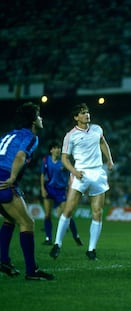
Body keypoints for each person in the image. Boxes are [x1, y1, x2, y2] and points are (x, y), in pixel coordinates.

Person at [49, 103, 114, 261]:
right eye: (83, 113)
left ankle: (91, 249)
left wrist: (110, 160)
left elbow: (102, 142)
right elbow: (64, 158)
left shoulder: (97, 129)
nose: (87, 115)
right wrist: (74, 172)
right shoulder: (70, 135)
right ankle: (57, 243)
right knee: (69, 209)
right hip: (81, 174)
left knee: (97, 212)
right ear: (76, 117)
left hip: (98, 172)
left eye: (87, 112)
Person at [0, 102, 54, 280]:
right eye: (38, 116)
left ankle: (4, 261)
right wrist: (13, 178)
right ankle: (32, 271)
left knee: (10, 219)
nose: (41, 118)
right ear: (33, 120)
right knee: (28, 223)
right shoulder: (31, 137)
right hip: (4, 178)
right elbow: (20, 156)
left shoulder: (8, 135)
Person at [40, 141, 83, 246]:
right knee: (47, 215)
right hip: (49, 189)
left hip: (61, 190)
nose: (58, 150)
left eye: (59, 148)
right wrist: (42, 188)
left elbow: (70, 175)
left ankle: (76, 235)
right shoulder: (46, 161)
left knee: (67, 213)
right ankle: (48, 238)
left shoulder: (64, 162)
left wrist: (70, 186)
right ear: (51, 150)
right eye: (55, 147)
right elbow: (42, 175)